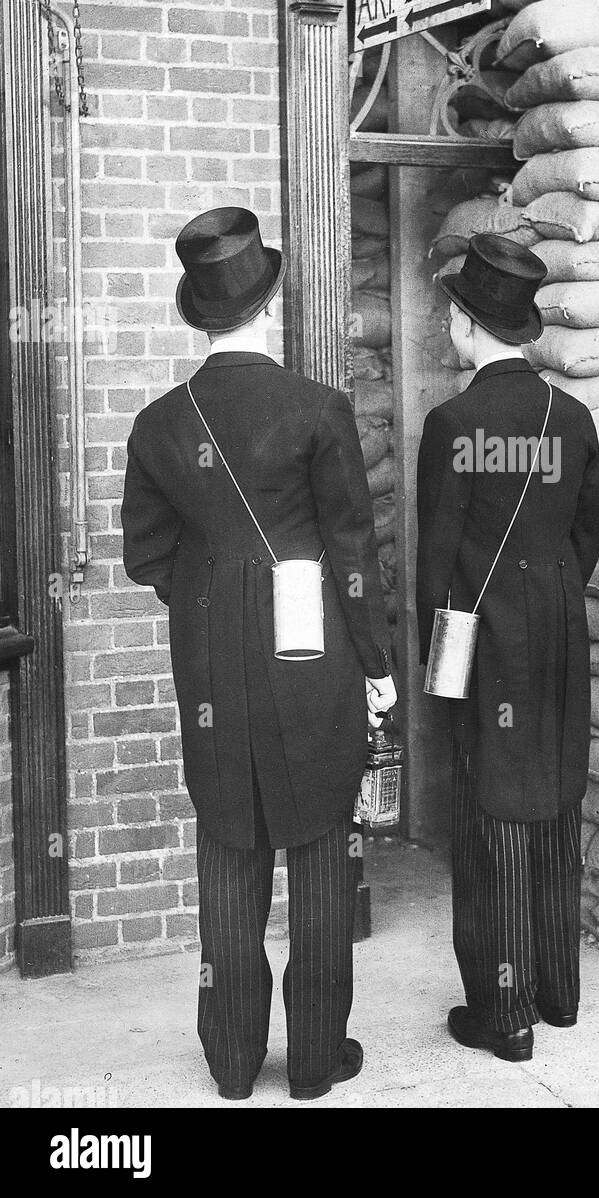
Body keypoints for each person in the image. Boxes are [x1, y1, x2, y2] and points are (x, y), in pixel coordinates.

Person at [121, 206, 396, 1100]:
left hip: (212, 666)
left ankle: (233, 1061)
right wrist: (380, 666)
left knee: (230, 847)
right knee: (320, 843)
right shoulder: (319, 409)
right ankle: (316, 1061)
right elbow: (354, 557)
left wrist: (211, 595)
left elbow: (144, 556)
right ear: (268, 310)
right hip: (313, 659)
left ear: (199, 316)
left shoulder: (160, 423)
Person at [416, 234, 599, 1062]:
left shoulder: (454, 422)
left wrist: (446, 653)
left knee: (492, 814)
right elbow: (589, 534)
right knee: (559, 798)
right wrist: (549, 589)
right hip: (562, 626)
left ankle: (507, 1015)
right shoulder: (577, 416)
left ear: (465, 324)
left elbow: (436, 563)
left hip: (486, 639)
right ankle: (559, 994)